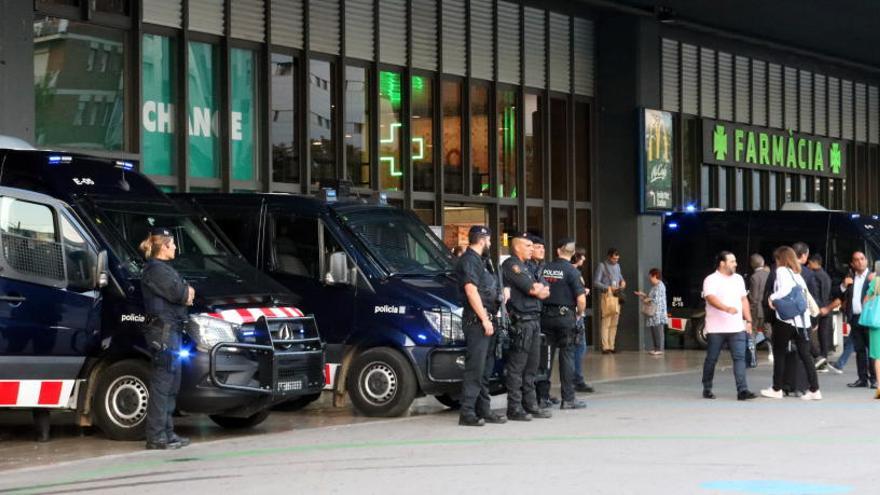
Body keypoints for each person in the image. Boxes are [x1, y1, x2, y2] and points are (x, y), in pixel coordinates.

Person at [140, 227, 195, 450]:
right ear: (163, 246)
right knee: (163, 385)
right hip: (163, 333)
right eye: (172, 244)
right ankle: (156, 437)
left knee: (171, 385)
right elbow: (182, 294)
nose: (175, 248)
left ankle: (167, 433)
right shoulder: (156, 270)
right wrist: (186, 292)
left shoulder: (164, 269)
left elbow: (186, 293)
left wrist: (186, 292)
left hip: (171, 332)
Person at [454, 226, 507, 426]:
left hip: (488, 320)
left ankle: (484, 410)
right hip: (477, 321)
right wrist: (484, 319)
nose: (491, 244)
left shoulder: (483, 262)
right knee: (475, 369)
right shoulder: (469, 260)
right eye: (490, 240)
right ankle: (467, 412)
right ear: (483, 240)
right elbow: (471, 291)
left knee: (486, 369)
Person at [761, 246, 822, 400]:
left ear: (781, 259)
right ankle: (815, 390)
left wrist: (772, 298)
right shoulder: (798, 274)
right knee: (805, 355)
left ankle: (777, 388)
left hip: (786, 320)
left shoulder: (781, 271)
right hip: (803, 321)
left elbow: (785, 290)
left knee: (779, 353)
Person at [502, 233, 552, 421]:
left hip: (534, 320)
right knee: (517, 367)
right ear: (517, 248)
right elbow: (533, 289)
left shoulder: (529, 267)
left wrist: (538, 290)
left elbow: (546, 291)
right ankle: (514, 407)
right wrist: (537, 290)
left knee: (532, 366)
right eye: (528, 245)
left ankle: (530, 404)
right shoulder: (512, 265)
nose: (533, 248)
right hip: (521, 321)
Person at [539, 238, 588, 409]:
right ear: (573, 253)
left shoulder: (545, 268)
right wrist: (579, 314)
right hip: (565, 317)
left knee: (546, 358)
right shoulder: (572, 272)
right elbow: (581, 299)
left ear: (558, 250)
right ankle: (568, 399)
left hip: (545, 317)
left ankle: (542, 397)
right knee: (567, 357)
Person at [701, 251, 756, 401]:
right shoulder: (711, 280)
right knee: (712, 359)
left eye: (735, 261)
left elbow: (744, 300)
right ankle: (707, 387)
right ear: (722, 263)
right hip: (715, 329)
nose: (735, 264)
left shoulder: (738, 279)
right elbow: (710, 298)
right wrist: (726, 308)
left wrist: (749, 321)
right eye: (732, 261)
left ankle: (742, 390)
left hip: (737, 327)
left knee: (739, 358)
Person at [834, 251, 876, 388]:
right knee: (859, 350)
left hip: (870, 318)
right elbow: (838, 294)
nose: (860, 262)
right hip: (855, 318)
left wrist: (875, 281)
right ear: (852, 263)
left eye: (862, 259)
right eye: (856, 260)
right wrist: (843, 286)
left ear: (866, 261)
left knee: (873, 350)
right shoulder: (850, 277)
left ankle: (874, 379)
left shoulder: (874, 276)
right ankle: (862, 379)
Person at [807, 254, 837, 373]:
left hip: (818, 309)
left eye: (809, 263)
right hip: (826, 307)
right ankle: (824, 359)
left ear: (815, 263)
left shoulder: (814, 276)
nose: (808, 266)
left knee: (814, 335)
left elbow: (816, 294)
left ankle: (820, 361)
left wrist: (818, 308)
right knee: (824, 336)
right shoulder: (826, 275)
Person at [594, 248, 626, 354]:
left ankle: (612, 346)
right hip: (607, 295)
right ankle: (605, 347)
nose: (615, 260)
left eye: (617, 259)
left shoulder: (618, 266)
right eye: (614, 258)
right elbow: (596, 282)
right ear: (609, 256)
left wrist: (622, 282)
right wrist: (608, 287)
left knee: (614, 323)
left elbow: (620, 277)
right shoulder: (602, 266)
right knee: (606, 321)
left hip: (617, 295)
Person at [571, 252, 594, 393]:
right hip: (576, 315)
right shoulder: (573, 272)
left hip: (572, 314)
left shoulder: (571, 271)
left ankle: (574, 379)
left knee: (574, 349)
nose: (584, 258)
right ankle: (577, 379)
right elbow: (578, 296)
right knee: (579, 348)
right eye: (582, 256)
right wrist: (580, 312)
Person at [635, 268, 667, 355]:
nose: (650, 279)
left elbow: (656, 299)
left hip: (658, 313)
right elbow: (651, 297)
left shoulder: (660, 286)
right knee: (654, 330)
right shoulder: (655, 286)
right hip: (654, 313)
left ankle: (659, 349)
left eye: (650, 277)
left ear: (655, 276)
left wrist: (646, 299)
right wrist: (643, 295)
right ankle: (656, 348)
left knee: (658, 331)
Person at [748, 254, 772, 362]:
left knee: (753, 332)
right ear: (762, 263)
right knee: (768, 332)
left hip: (757, 310)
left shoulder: (754, 277)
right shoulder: (769, 275)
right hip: (768, 310)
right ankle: (772, 353)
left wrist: (750, 310)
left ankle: (752, 357)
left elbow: (754, 297)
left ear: (752, 264)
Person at [863, 261, 880, 399]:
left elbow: (866, 300)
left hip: (876, 323)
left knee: (878, 356)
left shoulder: (876, 281)